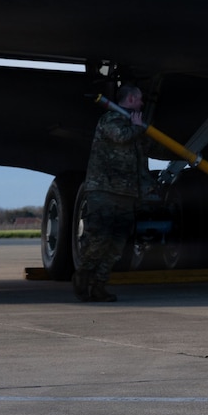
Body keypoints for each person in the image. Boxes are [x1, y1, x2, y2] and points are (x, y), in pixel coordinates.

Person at [73, 83, 147, 303]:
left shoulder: (131, 124)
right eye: (139, 99)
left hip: (125, 193)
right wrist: (137, 127)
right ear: (131, 99)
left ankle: (99, 285)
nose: (142, 103)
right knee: (99, 238)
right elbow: (120, 137)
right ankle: (83, 277)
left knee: (117, 244)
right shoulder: (111, 120)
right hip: (104, 190)